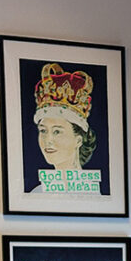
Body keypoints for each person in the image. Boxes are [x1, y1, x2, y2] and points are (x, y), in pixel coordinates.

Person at [32, 63, 100, 193]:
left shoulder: (92, 192)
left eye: (57, 131)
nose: (48, 140)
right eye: (43, 130)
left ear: (79, 140)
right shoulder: (38, 193)